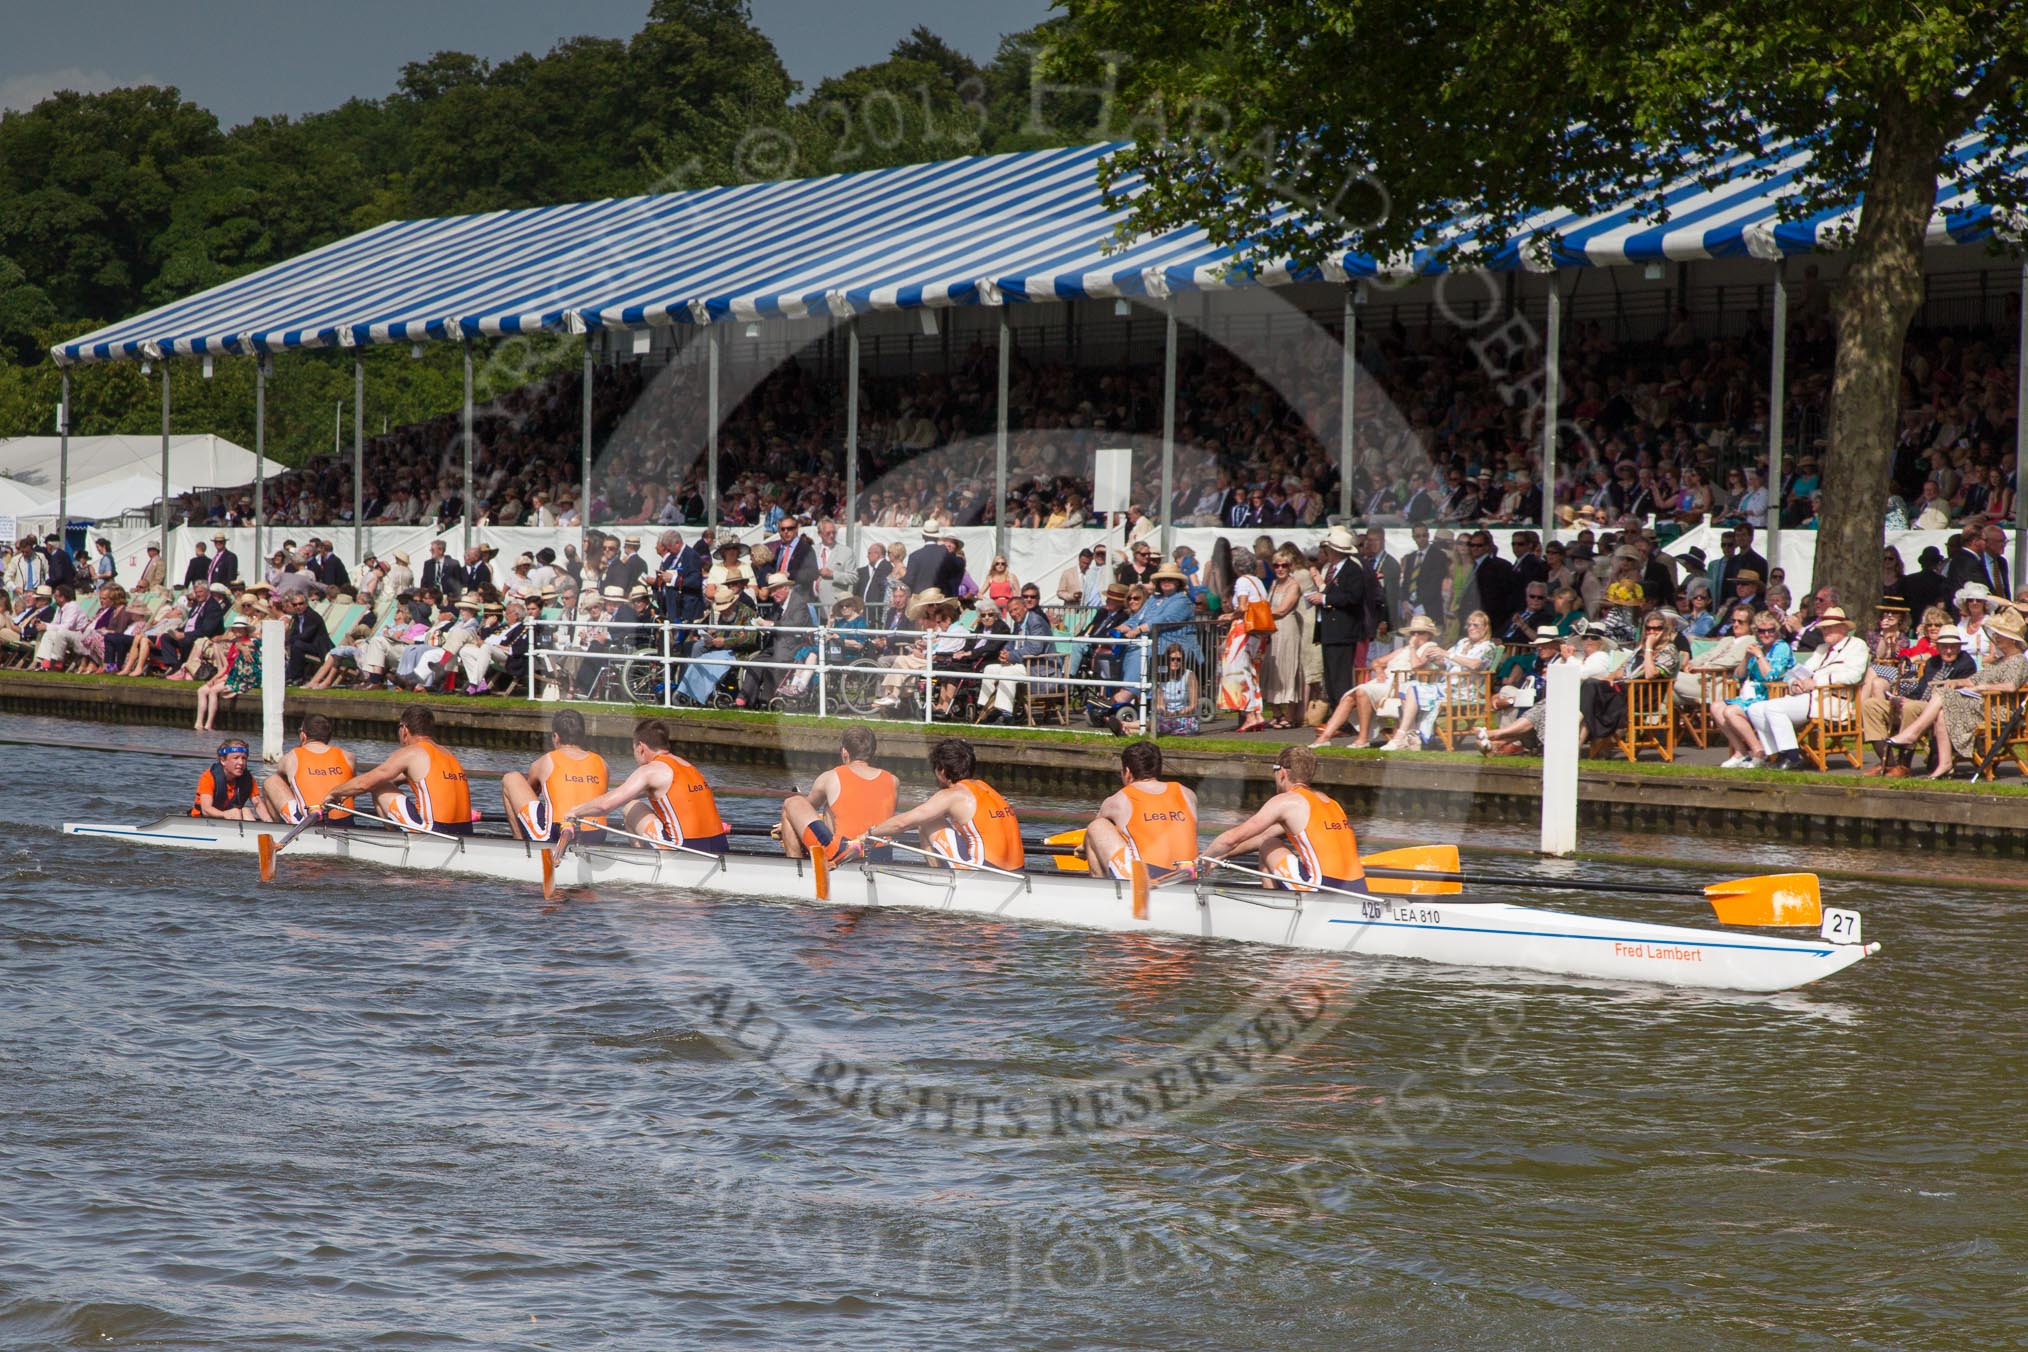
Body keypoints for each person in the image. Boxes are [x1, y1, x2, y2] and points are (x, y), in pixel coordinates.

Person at [1200, 745, 1365, 893]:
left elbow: (1230, 839)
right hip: (1358, 888)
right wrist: (1220, 856)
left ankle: (1271, 907)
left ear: (1282, 773)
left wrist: (1201, 859)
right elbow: (1262, 835)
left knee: (1268, 845)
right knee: (1268, 840)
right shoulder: (1331, 803)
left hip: (1321, 887)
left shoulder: (1287, 801)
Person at [566, 718, 728, 852]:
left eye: (634, 750)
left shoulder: (650, 771)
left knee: (631, 807)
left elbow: (605, 806)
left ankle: (640, 863)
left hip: (684, 849)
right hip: (719, 846)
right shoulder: (689, 767)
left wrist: (575, 811)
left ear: (641, 748)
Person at [864, 737, 1023, 871]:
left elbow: (902, 823)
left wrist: (869, 834)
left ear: (941, 771)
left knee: (926, 822)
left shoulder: (953, 795)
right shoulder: (986, 789)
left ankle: (937, 879)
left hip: (984, 873)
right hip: (1017, 872)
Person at [1745, 606, 1869, 771]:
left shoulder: (1857, 646)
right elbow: (1803, 672)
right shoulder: (1821, 648)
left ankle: (1791, 756)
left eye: (1830, 627)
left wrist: (1816, 681)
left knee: (1774, 708)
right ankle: (1775, 754)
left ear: (1843, 628)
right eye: (1824, 628)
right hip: (1809, 697)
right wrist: (1795, 683)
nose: (1826, 631)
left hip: (1832, 700)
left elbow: (1853, 676)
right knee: (1755, 708)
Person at [319, 705, 475, 834]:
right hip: (465, 832)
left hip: (433, 832)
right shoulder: (447, 753)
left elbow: (365, 783)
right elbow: (398, 779)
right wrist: (349, 791)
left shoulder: (411, 752)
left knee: (378, 784)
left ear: (404, 729)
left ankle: (394, 840)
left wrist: (335, 792)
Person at [780, 725, 898, 864]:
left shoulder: (830, 777)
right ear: (872, 753)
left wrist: (784, 825)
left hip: (843, 853)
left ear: (844, 752)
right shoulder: (893, 780)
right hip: (882, 854)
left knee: (792, 803)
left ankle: (795, 869)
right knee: (829, 809)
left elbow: (806, 808)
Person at [1081, 740, 1199, 880]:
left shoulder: (1117, 800)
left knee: (1096, 827)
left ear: (1127, 772)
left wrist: (1082, 848)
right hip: (1188, 876)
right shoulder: (1188, 794)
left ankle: (1099, 890)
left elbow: (1094, 839)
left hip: (1148, 880)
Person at [502, 708, 609, 844]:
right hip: (597, 834)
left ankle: (519, 846)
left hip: (556, 834)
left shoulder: (545, 761)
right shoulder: (602, 763)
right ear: (583, 737)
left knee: (511, 778)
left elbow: (529, 795)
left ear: (556, 737)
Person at [261, 713, 356, 825]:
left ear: (303, 736)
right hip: (346, 822)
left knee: (271, 781)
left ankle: (278, 828)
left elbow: (282, 780)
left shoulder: (291, 757)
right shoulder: (349, 756)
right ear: (329, 737)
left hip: (310, 822)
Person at [194, 617, 261, 732]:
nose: (237, 631)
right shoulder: (234, 644)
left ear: (245, 630)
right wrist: (215, 678)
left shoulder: (250, 643)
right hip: (227, 674)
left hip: (235, 676)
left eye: (240, 629)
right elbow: (226, 666)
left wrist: (242, 647)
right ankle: (198, 723)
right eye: (235, 629)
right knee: (201, 690)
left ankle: (209, 723)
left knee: (213, 690)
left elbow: (255, 644)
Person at [189, 739, 271, 821]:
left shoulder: (248, 779)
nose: (241, 763)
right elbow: (206, 810)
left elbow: (258, 804)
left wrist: (269, 821)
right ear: (223, 760)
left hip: (232, 818)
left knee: (246, 811)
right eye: (236, 758)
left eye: (244, 758)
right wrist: (224, 814)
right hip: (203, 820)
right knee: (236, 812)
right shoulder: (208, 777)